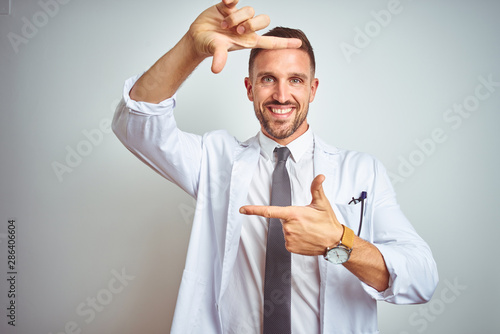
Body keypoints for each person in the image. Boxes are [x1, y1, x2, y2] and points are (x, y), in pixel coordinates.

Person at [112, 0, 438, 333]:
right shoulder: (217, 159)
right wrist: (191, 48)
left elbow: (422, 279)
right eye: (268, 79)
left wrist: (339, 242)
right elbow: (136, 126)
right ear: (250, 89)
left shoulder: (362, 170)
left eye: (296, 80)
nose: (282, 95)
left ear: (313, 90)